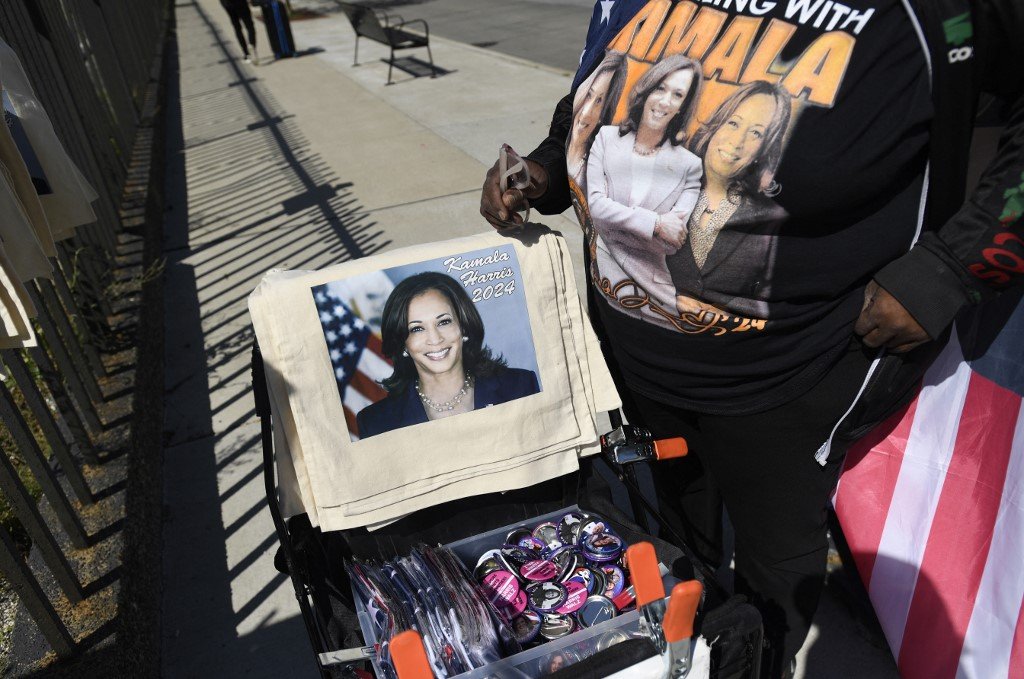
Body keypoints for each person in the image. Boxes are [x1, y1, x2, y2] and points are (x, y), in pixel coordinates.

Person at [480, 2, 1024, 676]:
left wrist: (952, 268)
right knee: (680, 547)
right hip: (640, 365)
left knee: (769, 594)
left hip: (792, 380)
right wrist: (550, 166)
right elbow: (608, 84)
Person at [585, 54, 704, 326]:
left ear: (682, 107)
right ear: (647, 89)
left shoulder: (689, 166)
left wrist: (618, 222)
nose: (664, 101)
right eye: (660, 88)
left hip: (655, 296)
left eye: (677, 95)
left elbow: (670, 242)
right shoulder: (606, 138)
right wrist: (656, 222)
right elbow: (596, 208)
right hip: (604, 279)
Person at [356, 272, 540, 439]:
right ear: (402, 343)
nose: (435, 339)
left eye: (444, 322)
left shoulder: (520, 386)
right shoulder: (375, 423)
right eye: (417, 329)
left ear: (463, 326)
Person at [668, 81, 791, 320]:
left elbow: (769, 300)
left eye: (756, 133)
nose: (737, 141)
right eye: (733, 123)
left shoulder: (770, 219)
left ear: (765, 148)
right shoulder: (666, 183)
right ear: (716, 125)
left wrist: (726, 313)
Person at [566, 52, 626, 184]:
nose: (586, 112)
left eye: (599, 101)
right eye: (589, 95)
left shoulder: (599, 172)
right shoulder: (564, 135)